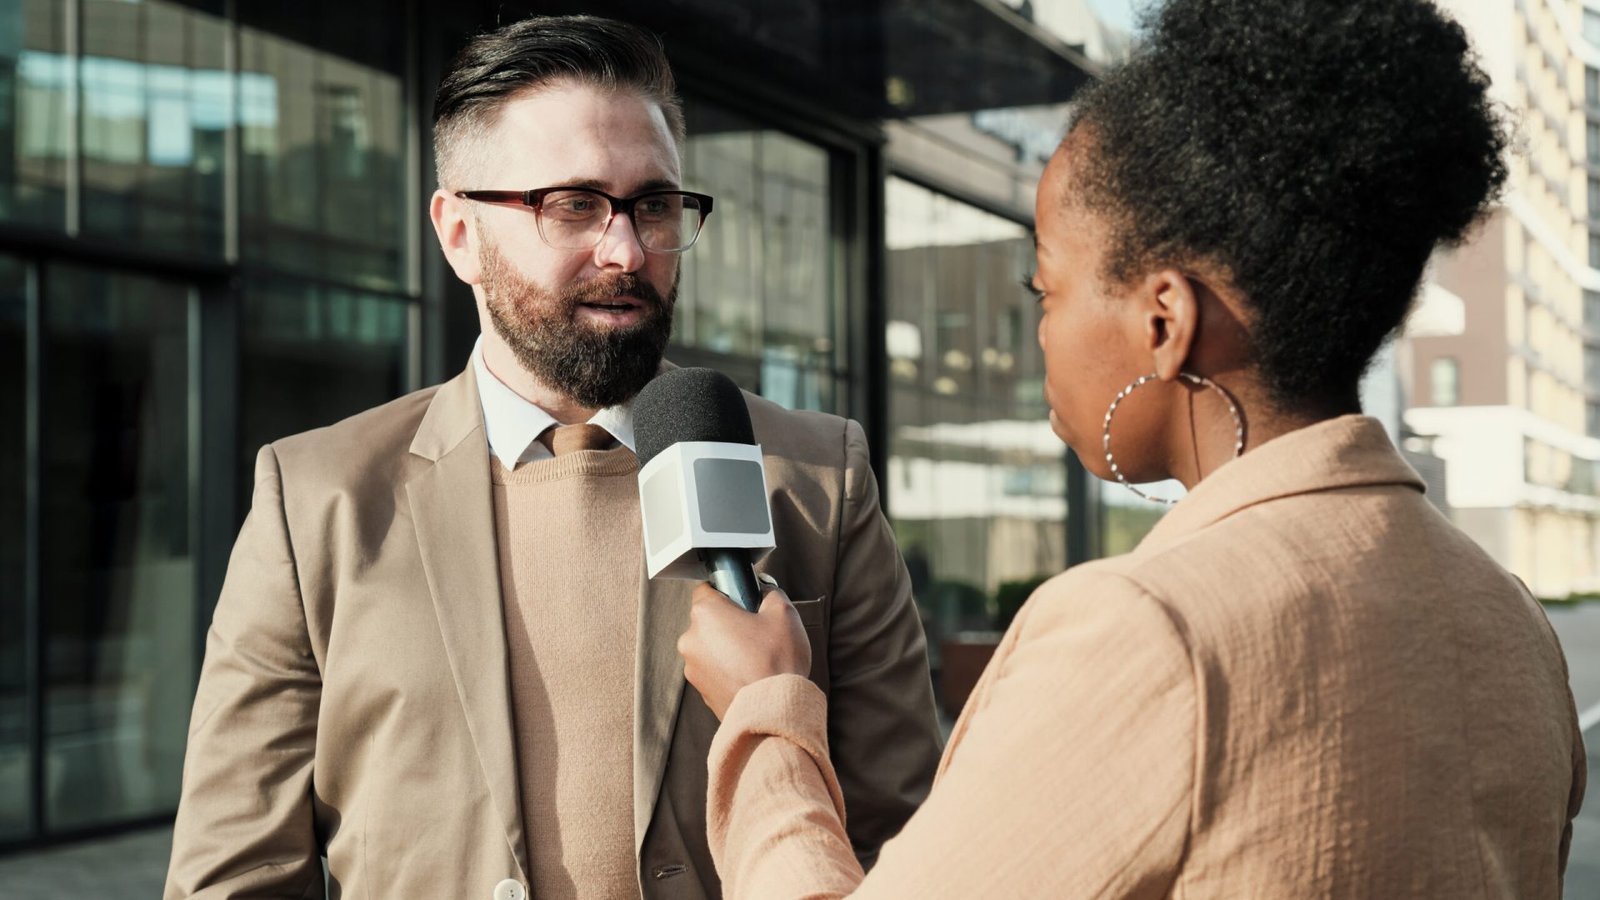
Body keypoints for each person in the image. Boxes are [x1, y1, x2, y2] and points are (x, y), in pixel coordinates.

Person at [677, 0, 1588, 896]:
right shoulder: (1507, 615)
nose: (1039, 332)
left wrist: (766, 719)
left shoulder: (1150, 631)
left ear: (1166, 320)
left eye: (1047, 289)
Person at [163, 15, 941, 900]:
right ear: (459, 233)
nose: (627, 249)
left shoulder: (817, 479)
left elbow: (911, 843)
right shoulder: (318, 500)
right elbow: (233, 878)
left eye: (654, 204)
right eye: (572, 204)